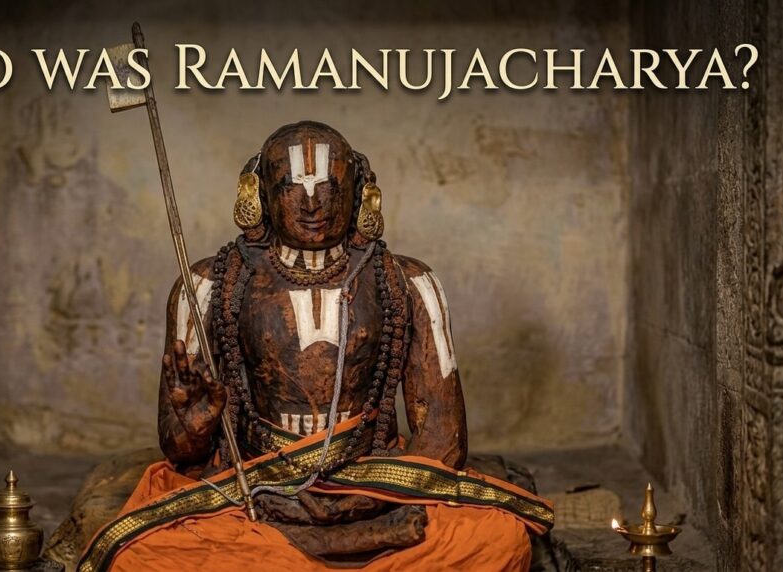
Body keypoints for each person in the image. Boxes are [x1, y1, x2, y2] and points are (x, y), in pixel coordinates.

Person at [79, 121, 553, 572]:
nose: (311, 203)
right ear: (260, 194)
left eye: (329, 186)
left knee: (496, 540)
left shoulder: (407, 283)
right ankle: (334, 546)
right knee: (147, 555)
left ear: (361, 192)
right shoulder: (208, 285)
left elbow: (444, 441)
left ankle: (312, 545)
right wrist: (194, 428)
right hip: (254, 485)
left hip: (373, 482)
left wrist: (366, 499)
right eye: (291, 186)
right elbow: (181, 451)